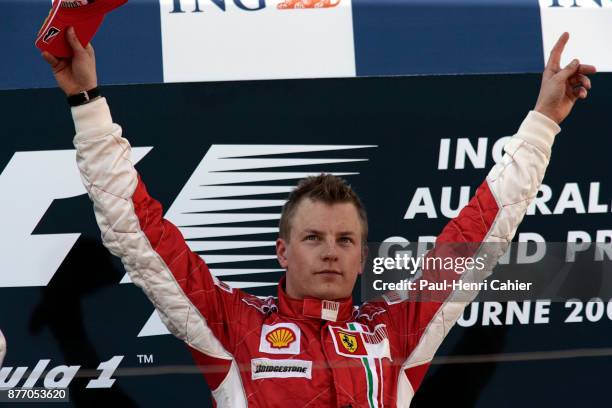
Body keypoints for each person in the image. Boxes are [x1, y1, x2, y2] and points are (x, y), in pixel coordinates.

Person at [42, 27, 595, 407]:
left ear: (362, 256)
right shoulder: (234, 325)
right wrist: (86, 101)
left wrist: (544, 121)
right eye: (313, 237)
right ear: (282, 250)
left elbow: (480, 233)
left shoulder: (395, 331)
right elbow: (137, 233)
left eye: (345, 239)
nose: (332, 250)